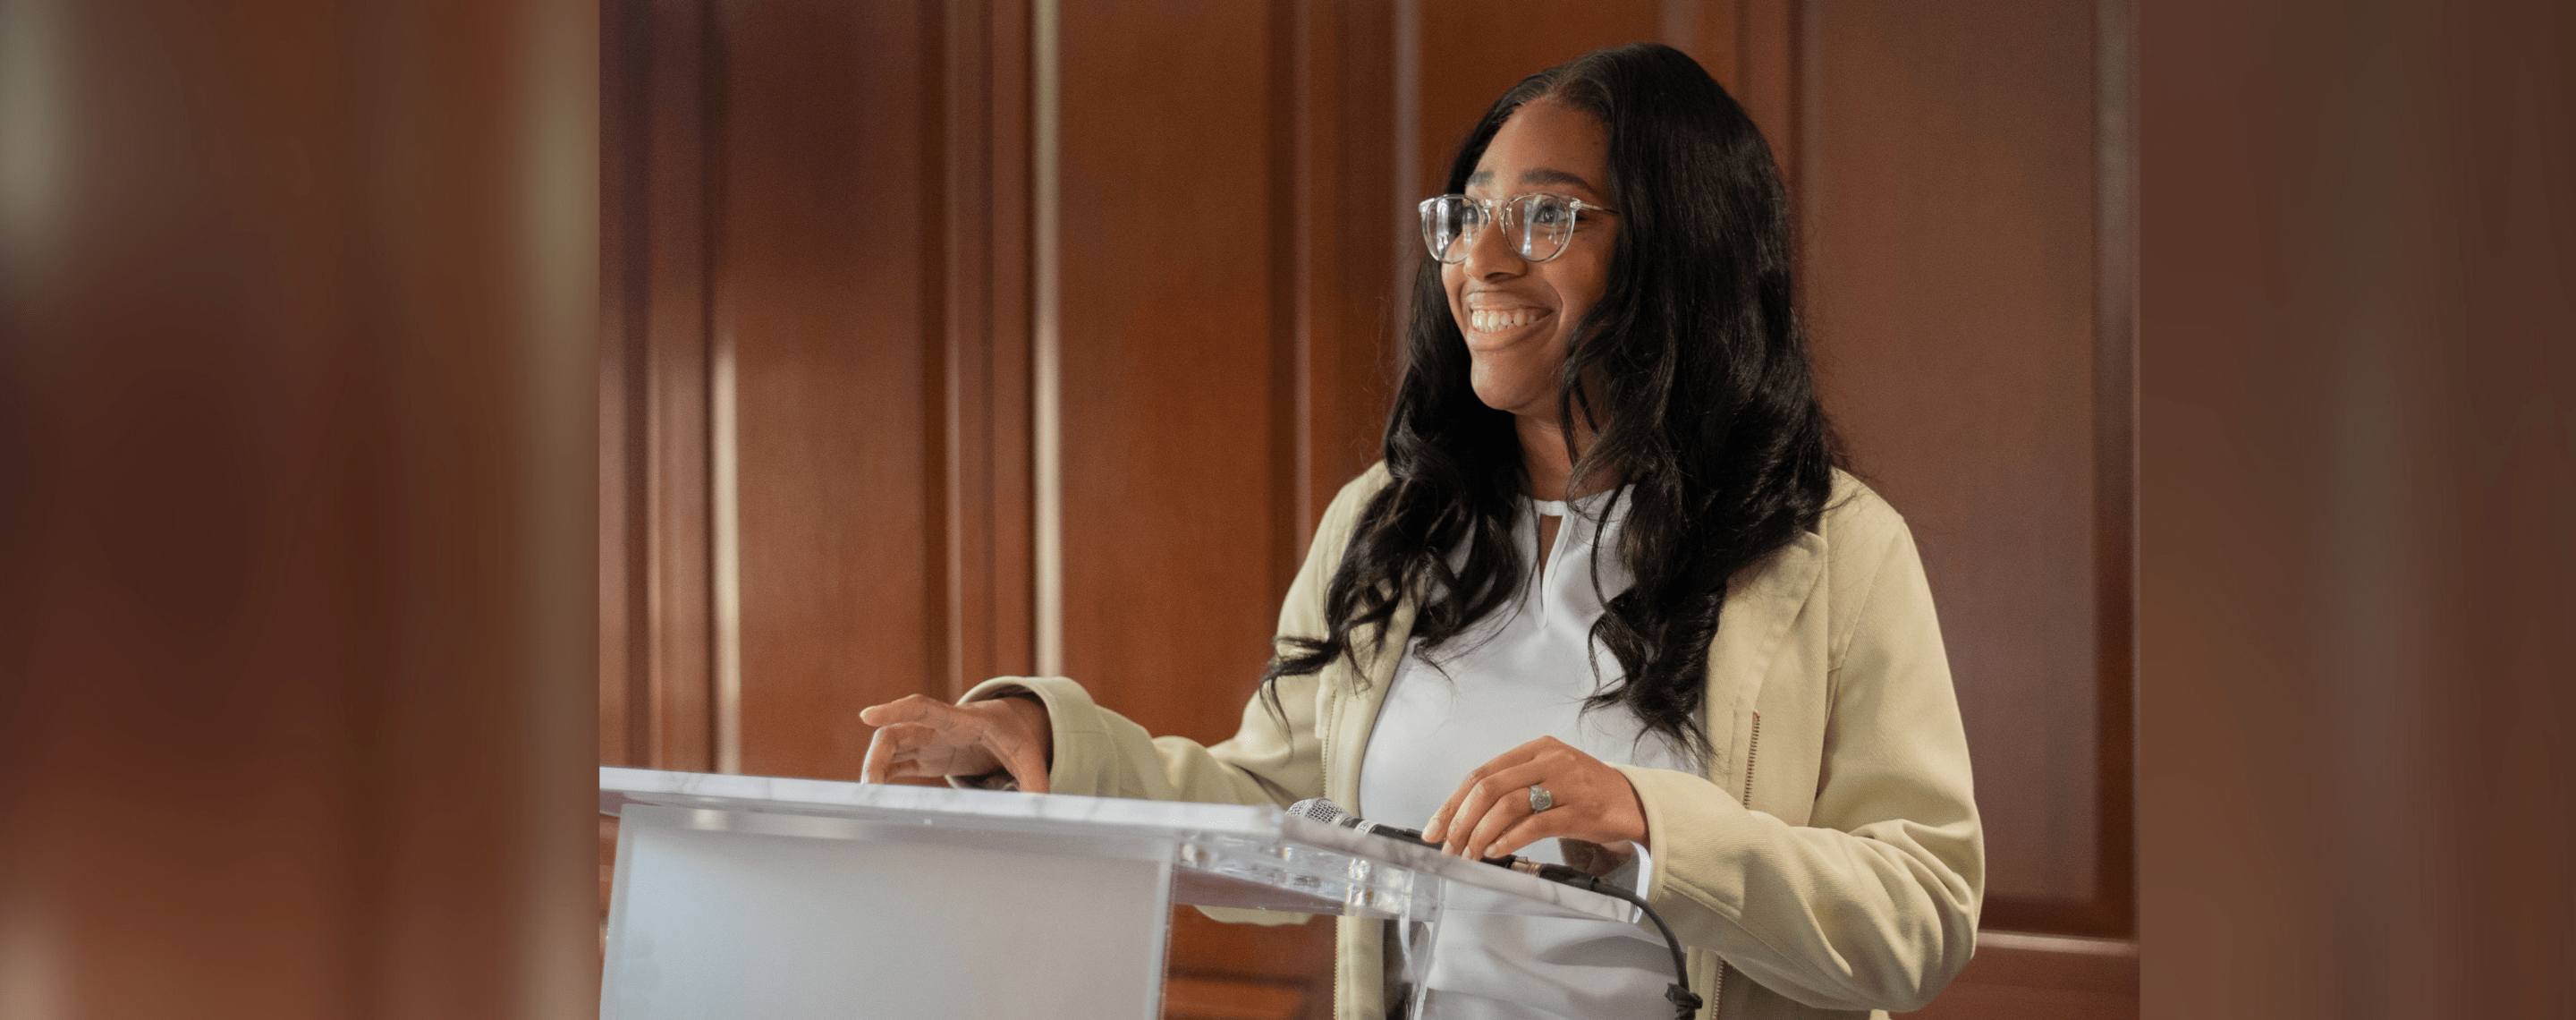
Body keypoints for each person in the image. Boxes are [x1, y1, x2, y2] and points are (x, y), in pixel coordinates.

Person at [859, 42, 1981, 1020]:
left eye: (1546, 214)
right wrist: (1044, 746)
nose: (1480, 261)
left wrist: (1652, 826)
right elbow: (1280, 819)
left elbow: (1922, 915)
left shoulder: (1835, 547)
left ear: (1682, 247)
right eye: (1468, 213)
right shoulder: (1388, 522)